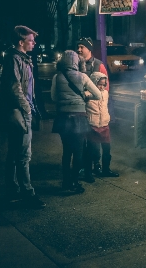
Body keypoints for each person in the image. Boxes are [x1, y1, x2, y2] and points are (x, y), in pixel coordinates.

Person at [0, 25, 45, 209]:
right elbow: (15, 87)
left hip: (20, 111)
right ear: (21, 42)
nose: (34, 43)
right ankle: (28, 193)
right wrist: (27, 109)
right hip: (19, 112)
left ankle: (12, 190)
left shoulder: (22, 58)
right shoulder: (14, 58)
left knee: (14, 153)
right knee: (23, 155)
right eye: (31, 40)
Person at [51, 50, 101, 193]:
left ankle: (66, 183)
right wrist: (86, 95)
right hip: (79, 117)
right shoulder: (83, 76)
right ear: (77, 62)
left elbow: (54, 97)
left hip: (62, 118)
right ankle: (74, 182)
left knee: (66, 152)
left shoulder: (56, 77)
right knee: (78, 152)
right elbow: (98, 95)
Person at [77, 37, 110, 177]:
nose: (78, 49)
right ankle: (85, 167)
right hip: (81, 107)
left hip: (94, 109)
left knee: (94, 141)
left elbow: (106, 86)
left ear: (88, 49)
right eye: (78, 47)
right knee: (84, 142)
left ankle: (95, 166)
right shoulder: (77, 64)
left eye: (81, 47)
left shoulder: (99, 65)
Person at [84, 72, 119, 179]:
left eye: (104, 84)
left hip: (104, 124)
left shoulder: (105, 93)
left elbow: (107, 107)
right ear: (93, 83)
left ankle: (106, 170)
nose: (102, 87)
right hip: (92, 125)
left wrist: (110, 118)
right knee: (92, 151)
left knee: (107, 150)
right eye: (100, 84)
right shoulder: (87, 94)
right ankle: (89, 172)